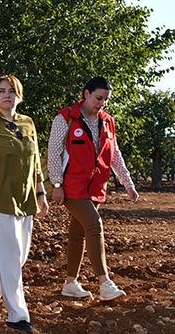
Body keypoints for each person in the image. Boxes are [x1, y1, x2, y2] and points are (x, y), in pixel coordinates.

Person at [0, 75, 49, 334]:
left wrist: (41, 193)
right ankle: (17, 315)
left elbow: (35, 162)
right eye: (2, 91)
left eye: (12, 92)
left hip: (26, 199)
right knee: (12, 258)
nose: (7, 95)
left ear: (19, 97)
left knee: (18, 257)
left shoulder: (28, 124)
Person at [48, 76, 138, 301]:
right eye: (98, 98)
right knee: (94, 224)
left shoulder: (107, 121)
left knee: (77, 233)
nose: (102, 103)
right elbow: (53, 152)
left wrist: (128, 183)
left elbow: (114, 154)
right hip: (72, 187)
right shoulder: (65, 118)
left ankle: (70, 283)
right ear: (85, 94)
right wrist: (56, 183)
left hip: (96, 187)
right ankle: (104, 283)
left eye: (106, 100)